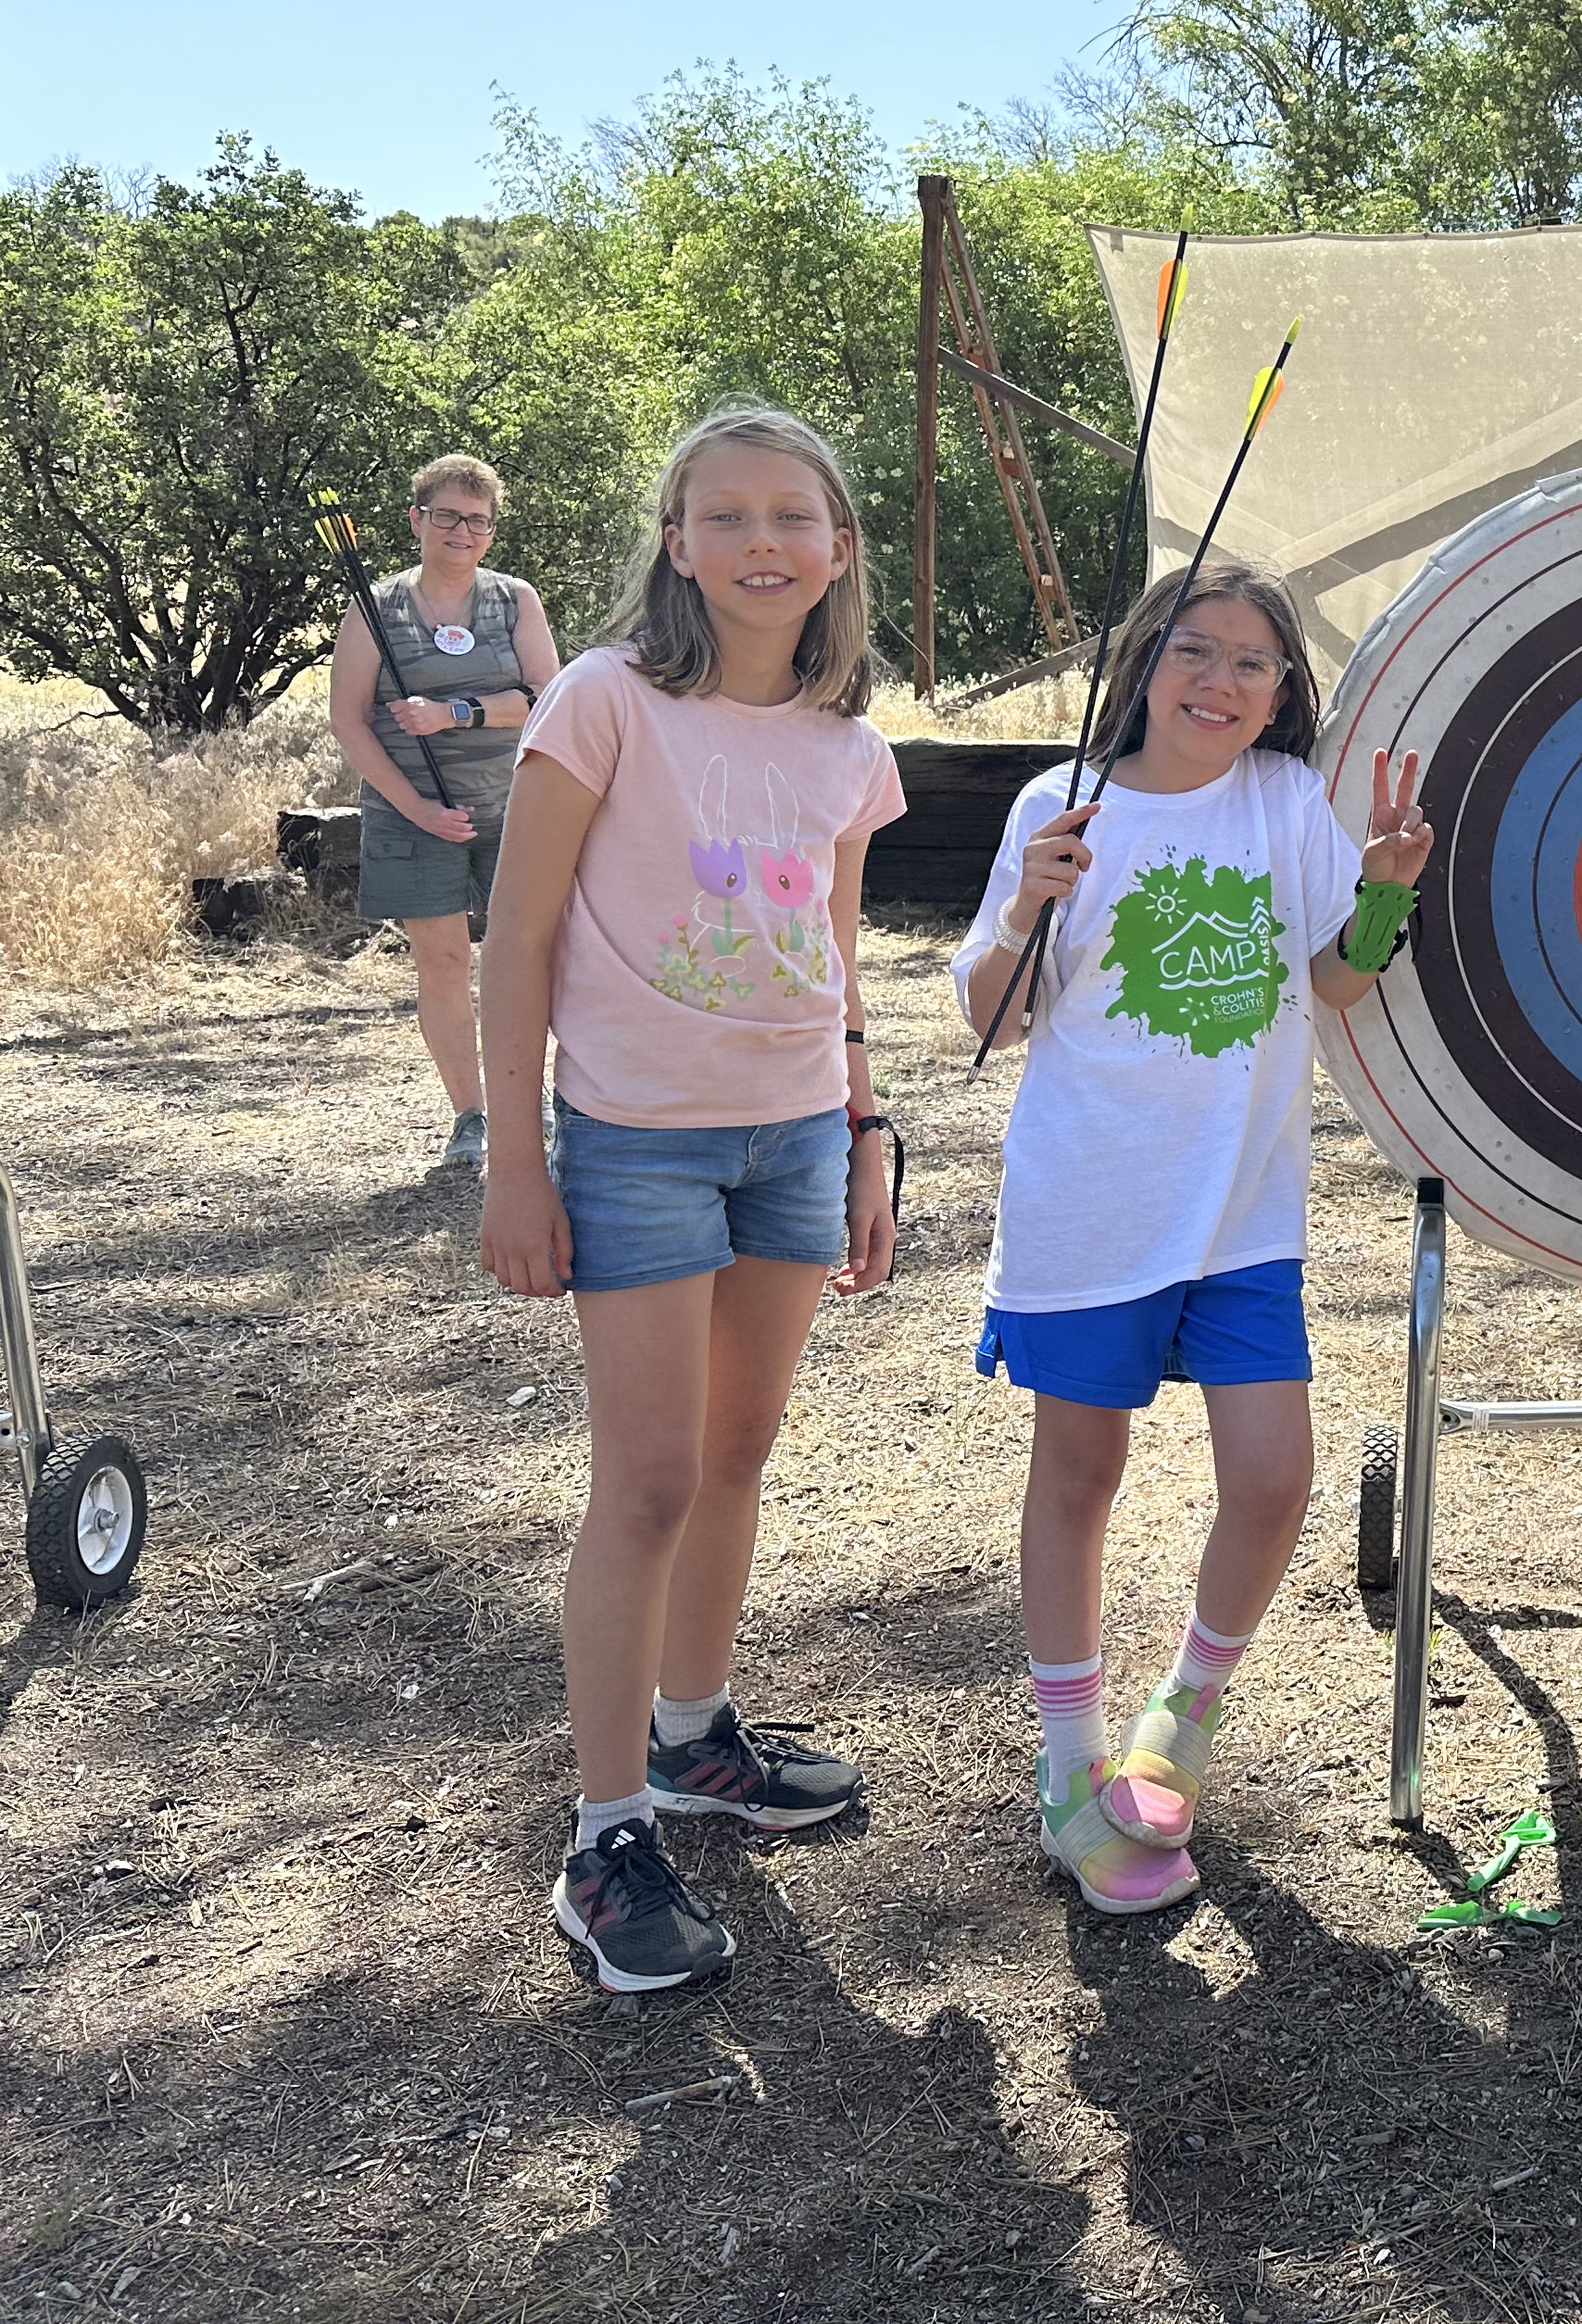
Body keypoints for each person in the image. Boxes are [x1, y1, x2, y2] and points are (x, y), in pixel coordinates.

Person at [477, 406, 906, 1994]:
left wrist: (864, 1132)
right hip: (637, 1144)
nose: (759, 541)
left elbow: (834, 963)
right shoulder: (601, 701)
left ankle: (693, 1737)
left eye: (792, 515)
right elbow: (518, 938)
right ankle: (604, 1842)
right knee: (648, 1480)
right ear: (676, 542)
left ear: (837, 548)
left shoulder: (848, 747)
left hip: (791, 1142)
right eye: (723, 515)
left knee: (734, 1457)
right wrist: (515, 1160)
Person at [959, 559, 1428, 1915]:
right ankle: (1069, 1764)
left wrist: (1385, 889)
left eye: (1253, 664)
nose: (1221, 683)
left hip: (1241, 1217)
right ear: (1143, 663)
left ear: (1282, 694)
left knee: (1275, 1476)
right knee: (1080, 1473)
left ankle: (1182, 1713)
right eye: (1195, 652)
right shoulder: (1059, 806)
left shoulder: (1284, 800)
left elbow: (1334, 979)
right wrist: (1026, 907)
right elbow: (991, 1018)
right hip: (1092, 1208)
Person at [326, 453, 563, 1171]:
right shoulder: (376, 608)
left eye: (478, 520)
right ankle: (471, 1113)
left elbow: (547, 698)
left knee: (529, 957)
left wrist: (455, 713)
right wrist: (419, 809)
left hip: (516, 808)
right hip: (412, 816)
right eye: (448, 516)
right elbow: (349, 721)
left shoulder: (514, 600)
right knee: (443, 961)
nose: (463, 531)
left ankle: (536, 1102)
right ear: (417, 519)